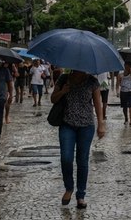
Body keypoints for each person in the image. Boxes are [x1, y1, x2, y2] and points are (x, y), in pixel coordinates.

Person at [50, 70, 106, 209]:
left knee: (82, 161)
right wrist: (63, 91)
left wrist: (101, 123)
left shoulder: (92, 81)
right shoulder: (64, 79)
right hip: (67, 125)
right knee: (66, 158)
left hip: (86, 126)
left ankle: (80, 195)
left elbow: (98, 103)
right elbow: (53, 99)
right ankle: (69, 187)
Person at [117, 61, 131, 125]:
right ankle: (126, 118)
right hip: (123, 92)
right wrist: (117, 91)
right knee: (124, 107)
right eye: (126, 66)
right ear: (124, 65)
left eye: (129, 66)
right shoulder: (121, 73)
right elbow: (118, 83)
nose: (127, 67)